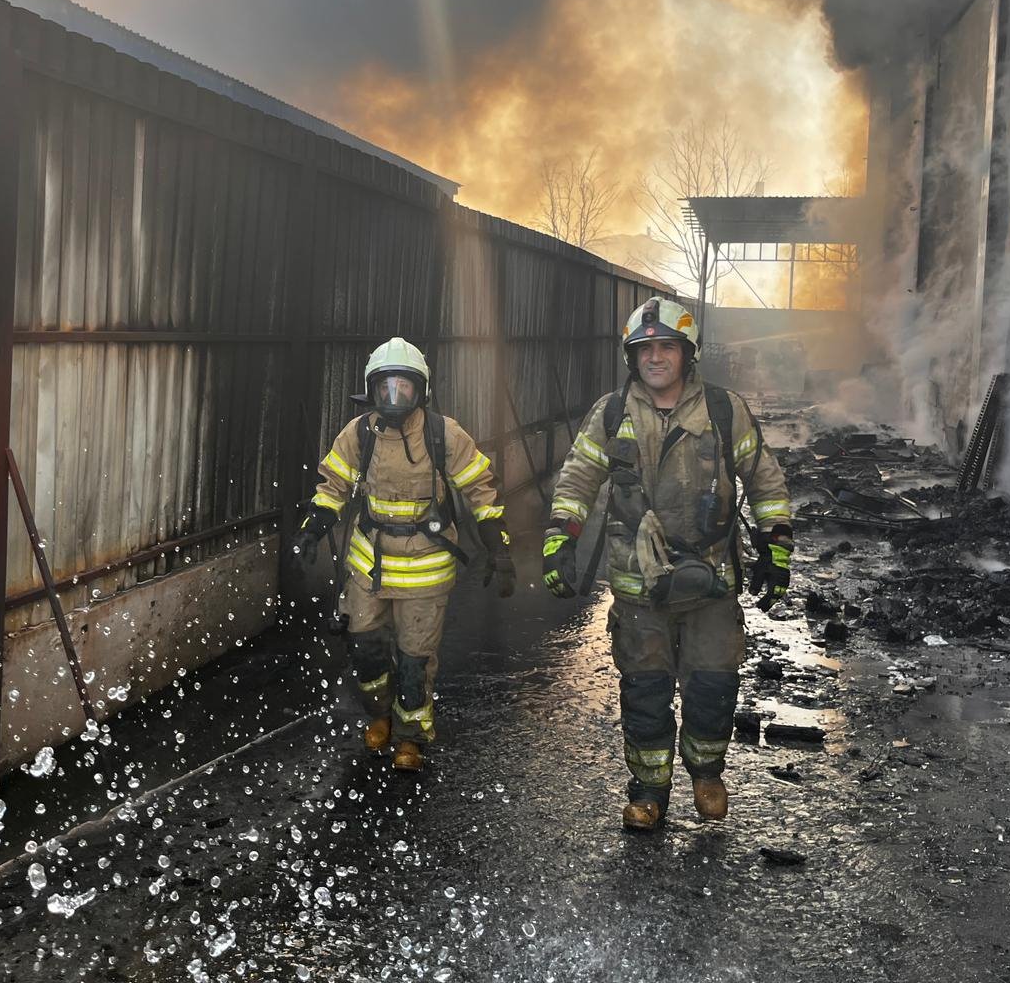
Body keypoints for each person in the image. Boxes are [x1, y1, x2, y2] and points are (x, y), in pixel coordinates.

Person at [542, 299, 792, 829]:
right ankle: (649, 792)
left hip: (712, 583)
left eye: (667, 347)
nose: (656, 358)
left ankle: (706, 775)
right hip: (640, 589)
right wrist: (561, 542)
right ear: (633, 358)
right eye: (645, 349)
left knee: (711, 686)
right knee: (646, 691)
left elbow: (765, 479)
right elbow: (577, 481)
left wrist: (777, 546)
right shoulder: (611, 414)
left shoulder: (724, 411)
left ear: (687, 353)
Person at [291, 337, 515, 771]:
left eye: (404, 387)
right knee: (366, 654)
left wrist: (498, 548)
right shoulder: (358, 434)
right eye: (385, 387)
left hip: (425, 571)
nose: (394, 397)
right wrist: (310, 533)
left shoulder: (444, 435)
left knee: (415, 661)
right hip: (368, 567)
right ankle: (380, 714)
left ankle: (411, 737)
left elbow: (480, 492)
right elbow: (331, 490)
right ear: (372, 390)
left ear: (421, 391)